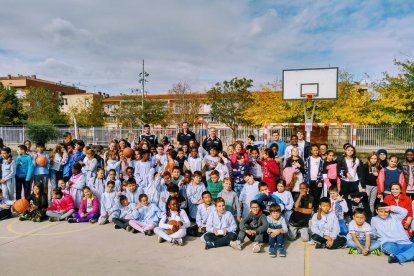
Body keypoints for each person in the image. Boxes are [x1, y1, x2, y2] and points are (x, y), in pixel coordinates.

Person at [337, 145, 362, 212]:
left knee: (354, 198)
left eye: (352, 150)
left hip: (354, 181)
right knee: (344, 198)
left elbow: (359, 171)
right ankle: (345, 213)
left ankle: (352, 213)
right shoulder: (341, 159)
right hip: (345, 181)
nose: (350, 152)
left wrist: (360, 182)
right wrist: (346, 173)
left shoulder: (357, 160)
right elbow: (338, 171)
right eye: (348, 150)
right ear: (345, 151)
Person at [304, 144, 324, 212]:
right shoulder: (308, 159)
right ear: (311, 151)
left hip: (318, 181)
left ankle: (316, 209)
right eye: (314, 150)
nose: (315, 152)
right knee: (310, 196)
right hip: (310, 180)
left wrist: (320, 180)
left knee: (317, 195)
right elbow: (305, 170)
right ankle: (310, 209)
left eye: (317, 150)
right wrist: (306, 180)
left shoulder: (320, 159)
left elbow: (322, 170)